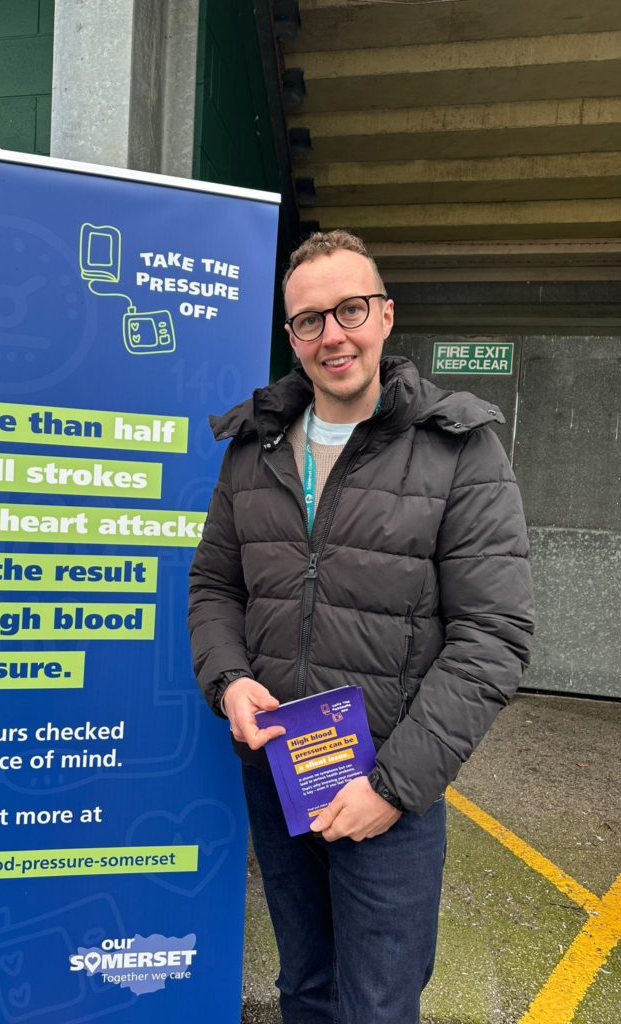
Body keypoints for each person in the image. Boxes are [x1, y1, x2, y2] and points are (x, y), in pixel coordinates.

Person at [188, 230, 534, 1024]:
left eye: (349, 309)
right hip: (281, 771)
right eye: (310, 320)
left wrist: (392, 788)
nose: (331, 334)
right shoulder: (255, 449)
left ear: (384, 316)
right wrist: (230, 678)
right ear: (291, 338)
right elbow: (214, 584)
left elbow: (493, 637)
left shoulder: (459, 450)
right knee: (304, 991)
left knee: (377, 1007)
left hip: (387, 790)